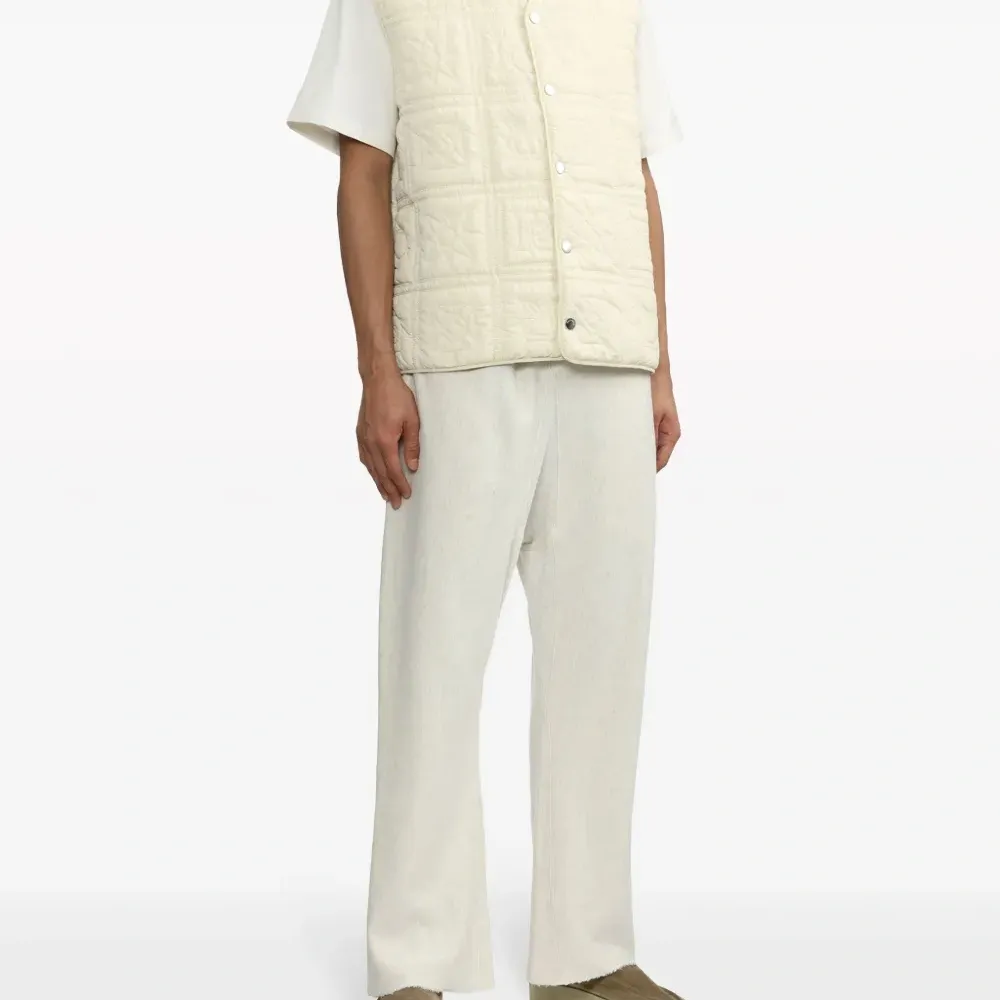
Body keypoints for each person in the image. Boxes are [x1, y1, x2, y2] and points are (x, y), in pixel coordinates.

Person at [287, 0, 685, 997]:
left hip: (606, 362)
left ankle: (587, 956)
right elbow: (362, 171)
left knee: (602, 673)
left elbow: (634, 176)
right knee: (433, 668)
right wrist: (378, 369)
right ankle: (416, 962)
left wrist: (660, 363)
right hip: (457, 367)